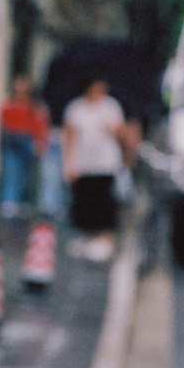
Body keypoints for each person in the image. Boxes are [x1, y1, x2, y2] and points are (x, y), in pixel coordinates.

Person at [62, 78, 125, 261]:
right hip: (84, 163)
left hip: (105, 163)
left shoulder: (110, 106)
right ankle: (88, 238)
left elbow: (121, 131)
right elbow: (70, 136)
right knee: (84, 202)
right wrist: (69, 163)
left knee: (104, 202)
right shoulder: (76, 108)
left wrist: (113, 130)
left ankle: (106, 240)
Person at [0, 75, 49, 217]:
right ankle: (10, 200)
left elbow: (40, 124)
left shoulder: (35, 106)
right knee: (11, 170)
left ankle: (25, 200)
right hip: (12, 139)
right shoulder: (8, 103)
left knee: (28, 173)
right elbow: (2, 121)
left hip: (28, 140)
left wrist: (40, 141)